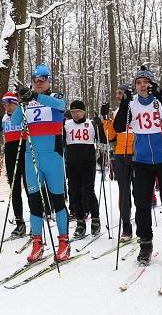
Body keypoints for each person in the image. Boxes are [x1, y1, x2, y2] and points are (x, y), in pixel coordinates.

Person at [113, 66, 162, 266]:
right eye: (138, 82)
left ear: (152, 84)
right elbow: (119, 127)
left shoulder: (161, 100)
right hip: (142, 161)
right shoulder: (132, 103)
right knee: (142, 205)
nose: (142, 85)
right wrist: (125, 102)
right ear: (135, 86)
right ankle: (145, 243)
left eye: (146, 82)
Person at [12, 64, 70, 263]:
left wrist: (35, 97)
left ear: (48, 80)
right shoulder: (27, 102)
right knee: (35, 201)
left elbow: (61, 107)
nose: (38, 83)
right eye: (35, 80)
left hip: (52, 157)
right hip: (32, 157)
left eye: (42, 79)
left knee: (57, 200)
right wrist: (22, 100)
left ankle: (64, 241)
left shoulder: (56, 97)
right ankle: (37, 242)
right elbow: (14, 120)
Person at [0, 92, 28, 237]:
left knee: (30, 188)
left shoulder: (24, 113)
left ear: (16, 104)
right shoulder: (3, 118)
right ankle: (19, 223)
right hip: (10, 155)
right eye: (5, 104)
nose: (7, 107)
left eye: (10, 104)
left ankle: (37, 220)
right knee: (14, 190)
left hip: (25, 153)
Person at [102, 84, 135, 241]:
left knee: (140, 191)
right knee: (124, 191)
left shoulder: (137, 108)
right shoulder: (116, 113)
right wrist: (105, 120)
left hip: (137, 154)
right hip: (121, 154)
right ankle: (127, 227)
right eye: (116, 93)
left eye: (120, 93)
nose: (117, 96)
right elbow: (110, 136)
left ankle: (143, 226)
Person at [64, 99, 101, 238]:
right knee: (75, 193)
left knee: (88, 191)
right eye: (73, 112)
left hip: (88, 163)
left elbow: (102, 138)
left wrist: (101, 125)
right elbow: (61, 141)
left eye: (78, 112)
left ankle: (95, 219)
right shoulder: (67, 125)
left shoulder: (91, 123)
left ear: (84, 112)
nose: (75, 115)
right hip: (72, 164)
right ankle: (80, 222)